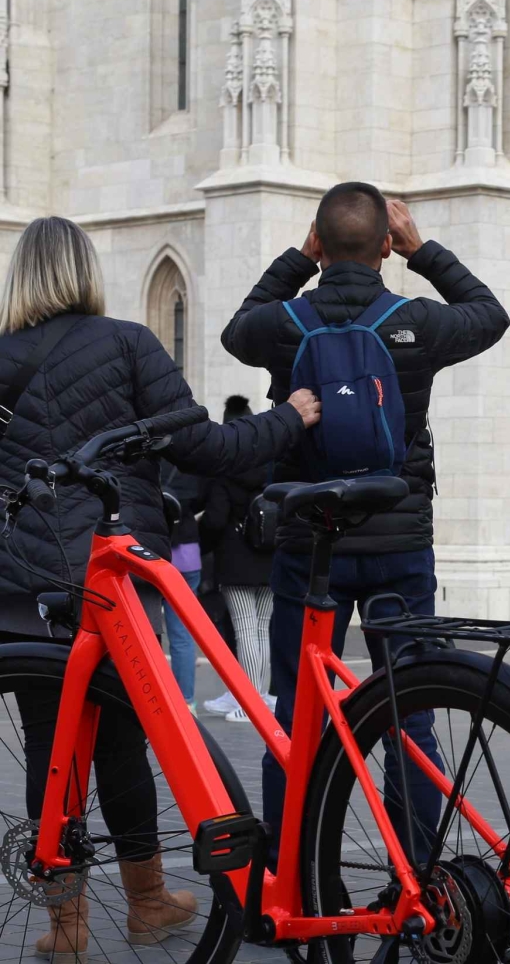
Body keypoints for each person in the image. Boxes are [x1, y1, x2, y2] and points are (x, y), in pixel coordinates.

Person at [0, 216, 320, 958]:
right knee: (121, 741)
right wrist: (287, 419)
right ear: (84, 271)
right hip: (113, 576)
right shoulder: (127, 344)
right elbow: (204, 444)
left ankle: (64, 920)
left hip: (25, 584)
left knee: (52, 748)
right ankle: (146, 898)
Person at [221, 182, 510, 864]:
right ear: (386, 243)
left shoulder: (287, 324)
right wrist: (423, 251)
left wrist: (297, 258)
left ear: (321, 244)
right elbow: (490, 315)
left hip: (309, 545)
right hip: (399, 544)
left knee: (298, 716)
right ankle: (415, 879)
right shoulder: (417, 320)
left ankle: (294, 875)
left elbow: (238, 328)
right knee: (409, 717)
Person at [198, 395, 279, 720]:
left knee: (245, 629)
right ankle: (259, 696)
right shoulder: (272, 470)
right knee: (262, 629)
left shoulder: (225, 471)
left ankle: (249, 702)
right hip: (270, 557)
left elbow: (215, 519)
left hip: (235, 560)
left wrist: (204, 545)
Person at [158, 458, 204, 711]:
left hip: (148, 551)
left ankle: (146, 698)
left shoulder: (142, 456)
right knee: (182, 635)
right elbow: (204, 499)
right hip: (186, 552)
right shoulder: (190, 460)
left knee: (144, 631)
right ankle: (186, 702)